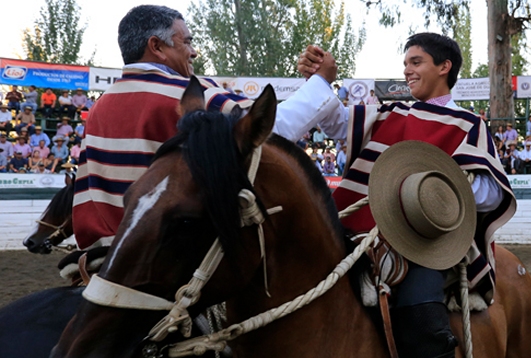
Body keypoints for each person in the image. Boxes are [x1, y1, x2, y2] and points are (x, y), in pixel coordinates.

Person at [299, 32, 514, 358]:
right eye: (405, 64)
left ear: (445, 66)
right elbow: (336, 122)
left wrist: (432, 197)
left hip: (424, 242)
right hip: (360, 232)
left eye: (416, 62)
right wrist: (317, 82)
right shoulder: (390, 113)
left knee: (421, 315)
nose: (407, 71)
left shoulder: (469, 125)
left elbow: (492, 193)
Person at [73, 4, 350, 253]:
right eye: (187, 42)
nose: (193, 52)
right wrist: (321, 81)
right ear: (156, 46)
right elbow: (269, 129)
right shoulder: (187, 91)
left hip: (102, 260)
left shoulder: (99, 106)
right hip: (163, 263)